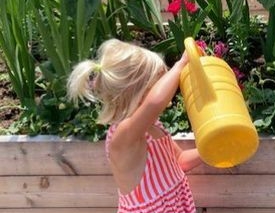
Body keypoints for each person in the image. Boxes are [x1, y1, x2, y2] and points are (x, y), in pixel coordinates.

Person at [67, 39, 203, 213]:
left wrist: (210, 151)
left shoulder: (154, 126)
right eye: (157, 83)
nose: (164, 87)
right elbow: (154, 103)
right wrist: (181, 64)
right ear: (136, 91)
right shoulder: (122, 137)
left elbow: (179, 161)